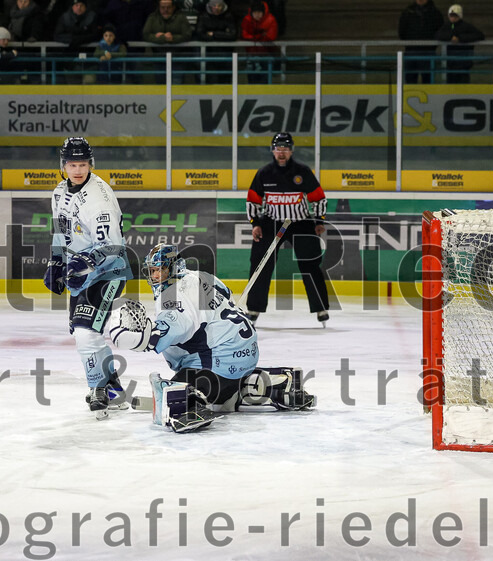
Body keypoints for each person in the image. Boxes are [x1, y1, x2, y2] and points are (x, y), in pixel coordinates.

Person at [108, 243, 316, 433]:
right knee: (221, 387)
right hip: (246, 353)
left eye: (160, 270)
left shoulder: (173, 294)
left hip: (220, 364)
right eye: (152, 271)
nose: (155, 276)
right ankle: (271, 384)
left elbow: (164, 335)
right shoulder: (202, 276)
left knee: (178, 387)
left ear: (174, 267)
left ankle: (191, 404)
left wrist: (130, 337)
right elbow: (228, 294)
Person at [44, 137, 132, 419]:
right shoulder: (58, 192)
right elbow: (61, 230)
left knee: (85, 332)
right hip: (78, 273)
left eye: (83, 164)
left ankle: (98, 388)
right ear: (64, 165)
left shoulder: (99, 198)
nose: (78, 169)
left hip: (107, 271)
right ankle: (115, 390)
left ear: (90, 164)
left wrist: (86, 260)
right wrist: (57, 259)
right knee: (84, 333)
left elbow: (113, 247)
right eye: (72, 164)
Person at [244, 132, 330, 326]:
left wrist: (318, 221)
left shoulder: (303, 172)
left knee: (311, 264)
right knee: (261, 263)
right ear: (272, 151)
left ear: (291, 150)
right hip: (272, 222)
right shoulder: (264, 173)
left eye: (285, 149)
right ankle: (254, 308)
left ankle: (321, 308)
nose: (281, 152)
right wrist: (255, 224)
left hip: (300, 223)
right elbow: (253, 200)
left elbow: (318, 197)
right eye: (278, 149)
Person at [435, 4, 483, 84]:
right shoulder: (446, 26)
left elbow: (480, 35)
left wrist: (460, 38)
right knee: (451, 83)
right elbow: (437, 35)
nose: (453, 18)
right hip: (451, 62)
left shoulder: (466, 26)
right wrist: (451, 37)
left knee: (463, 82)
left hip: (463, 62)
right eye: (451, 16)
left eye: (455, 16)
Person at [397, 0, 443, 84]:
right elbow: (401, 31)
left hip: (428, 51)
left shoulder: (435, 13)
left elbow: (440, 30)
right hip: (411, 50)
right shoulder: (407, 12)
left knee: (428, 80)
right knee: (410, 80)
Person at [193, 0, 235, 84]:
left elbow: (232, 35)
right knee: (211, 80)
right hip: (208, 55)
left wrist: (214, 34)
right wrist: (223, 34)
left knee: (225, 81)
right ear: (210, 6)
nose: (216, 8)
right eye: (214, 5)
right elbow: (200, 34)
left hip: (225, 55)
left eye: (219, 5)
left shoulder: (229, 16)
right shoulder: (203, 16)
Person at [239, 0, 277, 83]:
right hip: (251, 54)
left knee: (264, 79)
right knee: (252, 79)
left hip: (265, 54)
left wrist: (254, 37)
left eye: (259, 12)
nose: (257, 15)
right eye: (255, 12)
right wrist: (259, 36)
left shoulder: (270, 19)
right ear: (251, 12)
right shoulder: (247, 20)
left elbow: (270, 36)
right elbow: (244, 35)